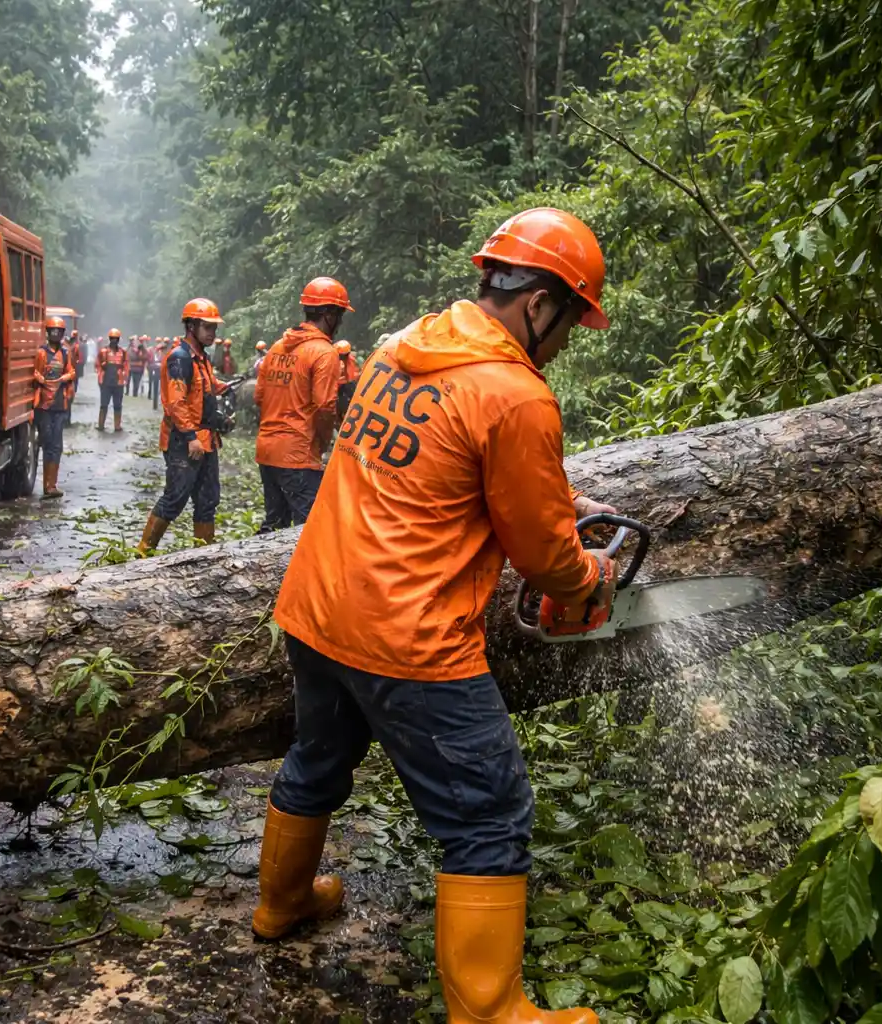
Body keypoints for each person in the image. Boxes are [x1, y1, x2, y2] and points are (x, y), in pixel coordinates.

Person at [250, 209, 616, 1024]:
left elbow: (426, 470)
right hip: (408, 636)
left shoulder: (406, 342)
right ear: (542, 304)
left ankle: (282, 904)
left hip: (317, 603)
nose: (562, 346)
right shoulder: (515, 393)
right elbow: (548, 564)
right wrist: (588, 571)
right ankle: (489, 1010)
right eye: (569, 326)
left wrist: (557, 497)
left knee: (319, 755)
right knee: (489, 815)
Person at [254, 277, 349, 533]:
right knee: (312, 531)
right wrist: (323, 441)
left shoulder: (276, 347)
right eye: (339, 314)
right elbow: (325, 407)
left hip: (267, 450)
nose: (340, 322)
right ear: (328, 314)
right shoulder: (324, 352)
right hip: (298, 455)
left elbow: (259, 396)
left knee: (275, 525)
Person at [136, 298, 229, 554]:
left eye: (214, 328)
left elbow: (205, 386)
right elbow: (176, 403)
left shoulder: (201, 358)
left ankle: (204, 555)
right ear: (191, 326)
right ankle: (143, 551)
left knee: (208, 499)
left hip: (206, 439)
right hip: (183, 440)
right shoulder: (180, 358)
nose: (212, 333)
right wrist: (190, 437)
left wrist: (225, 386)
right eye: (207, 327)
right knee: (175, 497)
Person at [33, 316, 77, 500]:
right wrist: (41, 379)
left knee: (57, 446)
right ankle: (46, 486)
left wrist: (64, 379)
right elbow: (36, 371)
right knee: (47, 444)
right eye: (53, 331)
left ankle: (52, 485)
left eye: (59, 331)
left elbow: (72, 371)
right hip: (44, 405)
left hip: (60, 405)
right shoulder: (42, 353)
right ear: (48, 332)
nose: (56, 334)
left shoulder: (65, 353)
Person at [96, 328, 129, 432]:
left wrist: (125, 376)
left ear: (119, 339)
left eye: (116, 339)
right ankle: (101, 425)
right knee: (103, 405)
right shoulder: (103, 352)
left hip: (118, 382)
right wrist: (100, 374)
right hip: (105, 382)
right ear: (109, 339)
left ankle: (117, 426)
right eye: (112, 338)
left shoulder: (123, 352)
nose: (114, 341)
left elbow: (126, 366)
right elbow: (97, 365)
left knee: (118, 405)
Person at [333, 339, 361, 420]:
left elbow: (351, 376)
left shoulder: (350, 360)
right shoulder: (330, 360)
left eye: (345, 355)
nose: (343, 357)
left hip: (346, 386)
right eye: (341, 355)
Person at [65, 329, 86, 426]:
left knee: (68, 398)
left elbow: (78, 359)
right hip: (67, 373)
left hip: (70, 373)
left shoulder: (74, 347)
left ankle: (66, 420)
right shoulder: (73, 347)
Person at [148, 337, 165, 409]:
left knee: (162, 389)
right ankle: (155, 405)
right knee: (155, 389)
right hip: (155, 370)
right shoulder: (152, 350)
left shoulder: (164, 352)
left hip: (162, 371)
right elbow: (150, 361)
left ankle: (161, 403)